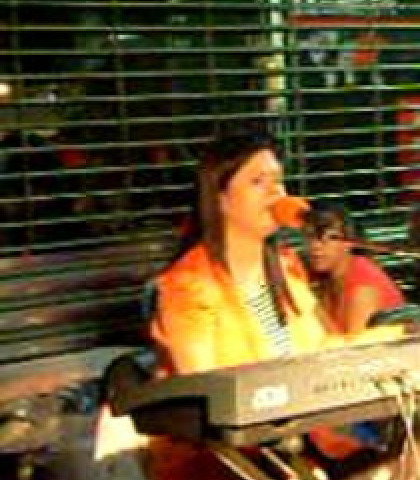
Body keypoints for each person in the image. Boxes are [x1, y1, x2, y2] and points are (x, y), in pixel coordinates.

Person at [95, 131, 403, 480]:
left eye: (278, 181)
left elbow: (315, 352)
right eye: (258, 182)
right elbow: (209, 395)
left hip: (301, 445)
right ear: (221, 198)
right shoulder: (188, 285)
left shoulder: (286, 266)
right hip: (229, 463)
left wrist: (386, 342)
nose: (275, 193)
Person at [301, 203, 406, 335]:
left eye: (328, 238)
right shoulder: (326, 275)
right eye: (310, 236)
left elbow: (352, 346)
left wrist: (308, 302)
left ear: (349, 243)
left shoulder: (364, 287)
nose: (315, 246)